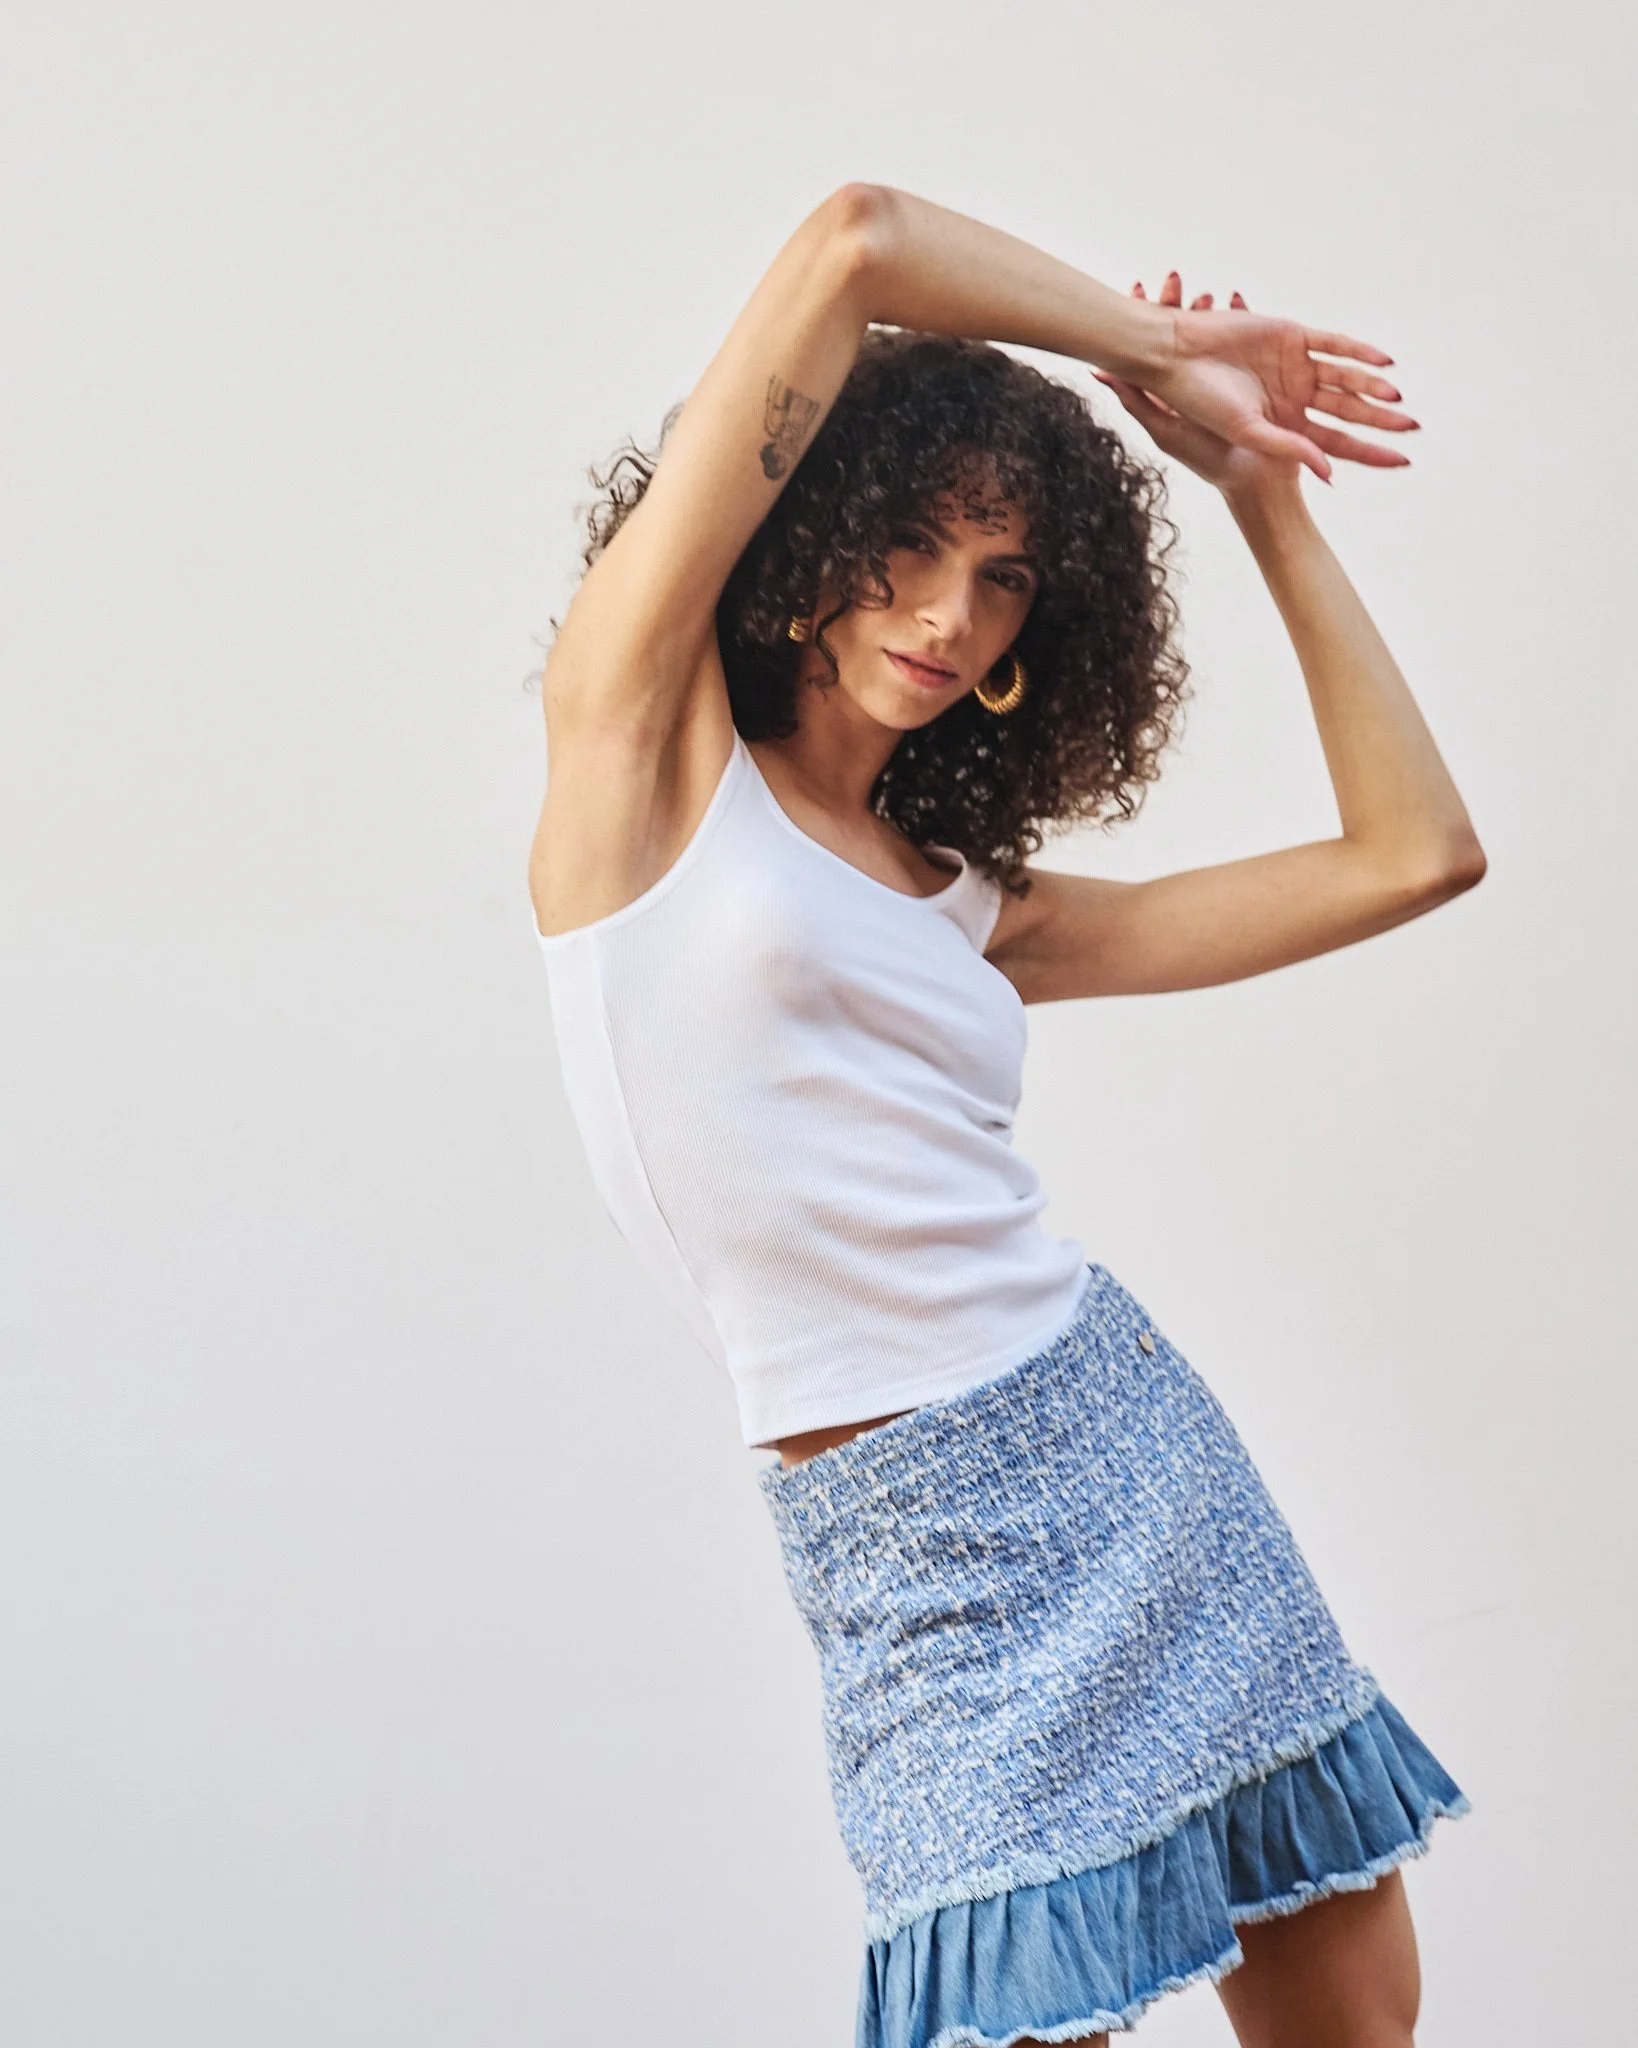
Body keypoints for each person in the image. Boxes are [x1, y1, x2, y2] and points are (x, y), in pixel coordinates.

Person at [529, 184, 1481, 2048]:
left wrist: (1254, 483)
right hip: (911, 1553)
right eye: (915, 549)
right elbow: (855, 243)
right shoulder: (638, 761)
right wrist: (1153, 345)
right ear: (809, 535)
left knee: (1353, 2023)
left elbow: (1414, 854)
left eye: (1007, 576)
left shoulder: (968, 900)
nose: (950, 615)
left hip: (1120, 1441)